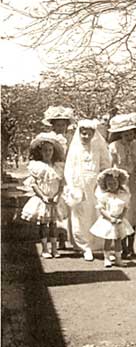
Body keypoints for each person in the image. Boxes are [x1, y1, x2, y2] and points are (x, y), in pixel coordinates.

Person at [64, 119, 111, 261]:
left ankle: (98, 244)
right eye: (83, 133)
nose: (86, 136)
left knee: (96, 213)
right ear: (79, 133)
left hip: (95, 185)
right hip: (80, 184)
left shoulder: (98, 147)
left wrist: (103, 181)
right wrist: (72, 186)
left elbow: (105, 164)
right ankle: (85, 246)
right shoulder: (75, 149)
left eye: (89, 134)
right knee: (81, 215)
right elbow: (69, 168)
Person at [108, 113, 136, 259]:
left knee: (133, 213)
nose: (129, 136)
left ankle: (131, 246)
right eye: (126, 134)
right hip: (119, 180)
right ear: (120, 134)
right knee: (121, 211)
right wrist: (111, 183)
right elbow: (111, 165)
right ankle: (122, 246)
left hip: (135, 180)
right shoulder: (113, 146)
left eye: (131, 133)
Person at [21, 132, 66, 258]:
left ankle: (54, 248)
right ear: (40, 151)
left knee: (53, 224)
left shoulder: (58, 167)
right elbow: (33, 184)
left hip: (54, 199)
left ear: (54, 151)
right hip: (43, 199)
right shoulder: (36, 166)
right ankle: (45, 248)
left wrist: (57, 195)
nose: (48, 153)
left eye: (50, 150)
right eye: (45, 150)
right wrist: (43, 196)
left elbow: (61, 184)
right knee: (43, 224)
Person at [42, 105, 75, 250]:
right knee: (55, 203)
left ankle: (65, 237)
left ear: (67, 125)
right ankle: (56, 238)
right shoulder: (48, 138)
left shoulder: (71, 138)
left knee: (67, 204)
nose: (61, 127)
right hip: (54, 169)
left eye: (63, 125)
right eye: (58, 125)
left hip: (69, 169)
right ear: (52, 125)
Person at [90, 167, 133, 268]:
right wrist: (110, 218)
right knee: (108, 240)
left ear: (119, 183)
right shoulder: (105, 196)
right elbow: (102, 210)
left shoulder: (123, 195)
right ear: (105, 185)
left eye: (114, 183)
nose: (112, 185)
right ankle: (107, 258)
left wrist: (121, 217)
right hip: (108, 220)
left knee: (118, 240)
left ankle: (118, 258)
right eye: (109, 184)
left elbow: (125, 207)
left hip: (119, 220)